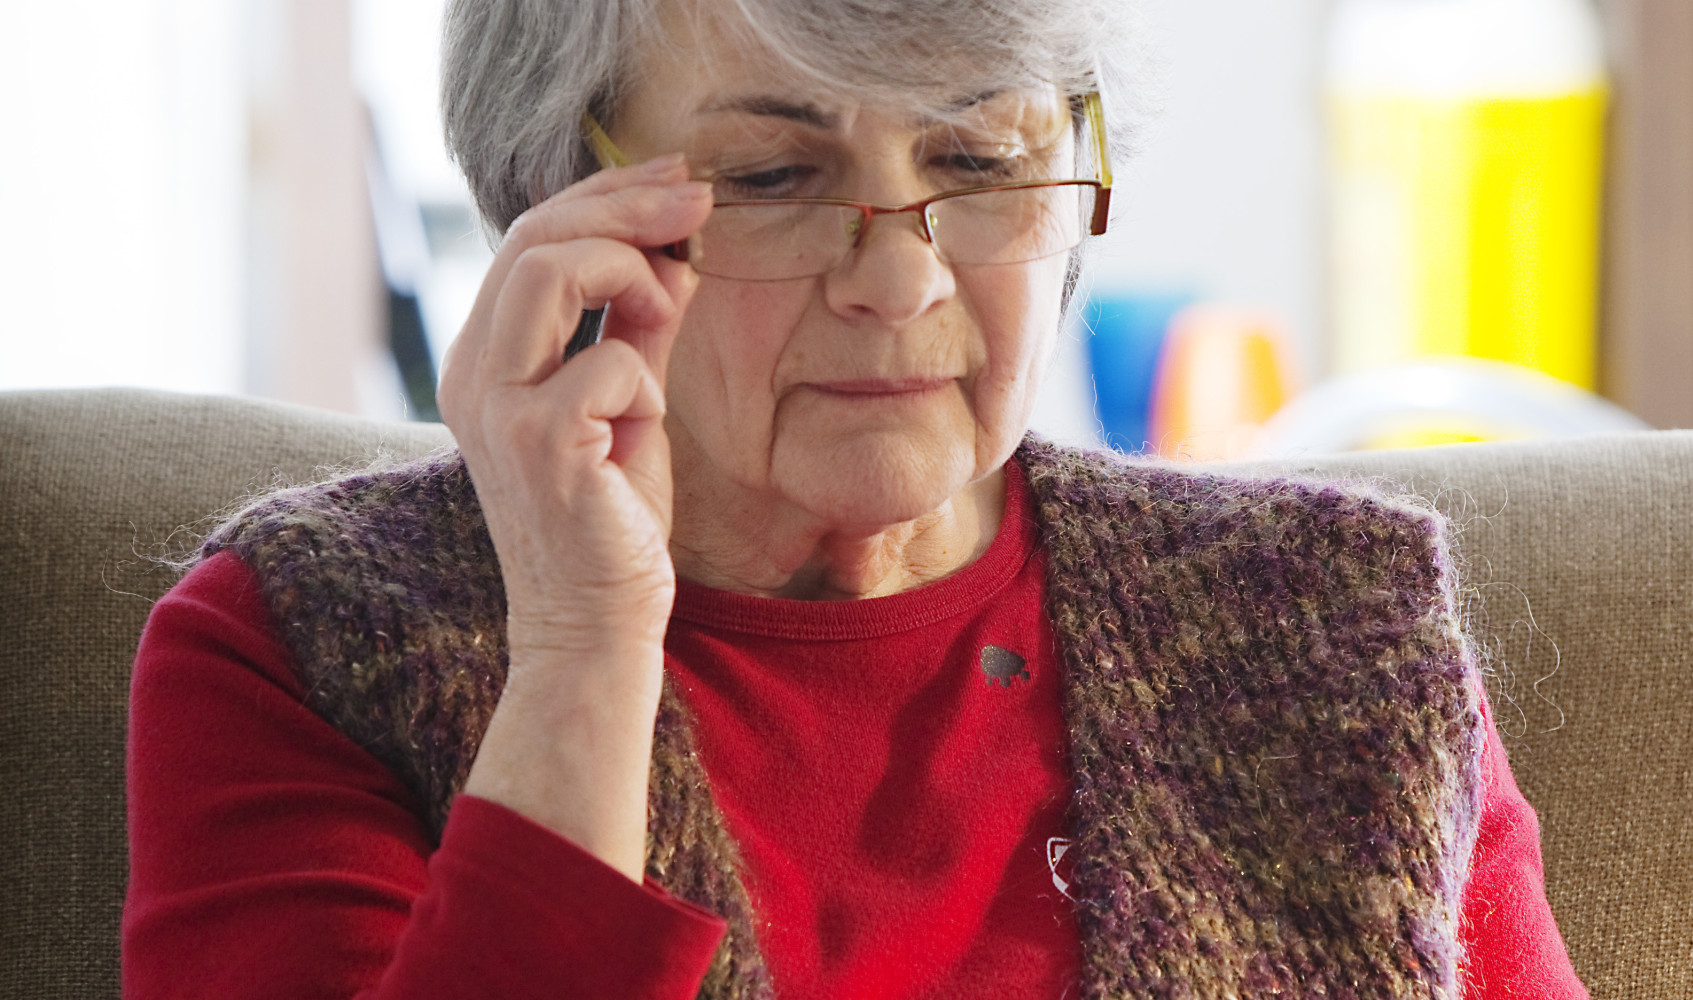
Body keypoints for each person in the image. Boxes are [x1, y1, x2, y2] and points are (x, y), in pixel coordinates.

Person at [122, 0, 1591, 997]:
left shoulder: (1331, 627)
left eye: (982, 158)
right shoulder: (304, 646)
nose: (900, 277)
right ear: (557, 213)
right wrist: (579, 651)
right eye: (772, 175)